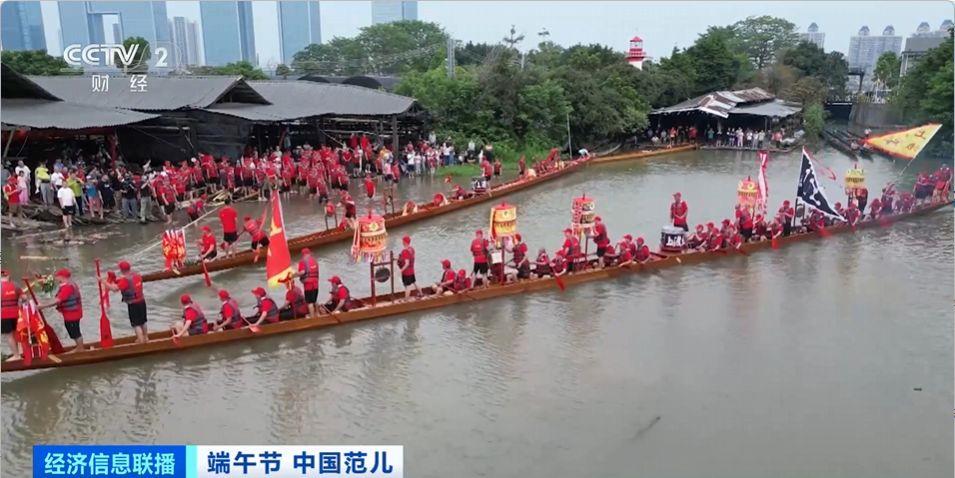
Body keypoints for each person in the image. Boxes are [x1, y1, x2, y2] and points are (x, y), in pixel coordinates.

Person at [102, 261, 149, 344]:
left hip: (133, 304)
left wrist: (103, 281)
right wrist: (116, 280)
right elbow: (126, 282)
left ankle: (140, 340)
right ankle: (146, 337)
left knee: (136, 324)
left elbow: (114, 289)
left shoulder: (125, 280)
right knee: (143, 321)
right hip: (142, 301)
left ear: (121, 270)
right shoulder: (137, 275)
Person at [39, 269, 85, 352]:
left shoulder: (68, 287)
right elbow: (57, 298)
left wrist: (42, 306)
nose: (56, 278)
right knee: (72, 331)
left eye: (57, 276)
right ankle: (79, 347)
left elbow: (57, 300)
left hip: (72, 314)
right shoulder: (69, 284)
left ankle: (80, 349)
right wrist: (43, 304)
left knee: (75, 332)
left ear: (62, 277)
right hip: (70, 313)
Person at [1, 270, 22, 361]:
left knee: (9, 336)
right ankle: (19, 352)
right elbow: (24, 298)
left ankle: (16, 356)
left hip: (4, 315)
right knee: (15, 333)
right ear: (8, 276)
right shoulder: (15, 285)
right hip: (16, 314)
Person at [296, 248, 320, 318]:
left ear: (302, 254)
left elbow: (302, 272)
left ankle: (312, 317)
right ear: (309, 253)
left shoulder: (302, 261)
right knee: (315, 300)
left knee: (309, 302)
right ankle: (318, 314)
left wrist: (293, 275)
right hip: (316, 283)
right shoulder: (315, 260)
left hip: (308, 284)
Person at [398, 235, 421, 300]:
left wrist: (401, 270)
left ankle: (406, 299)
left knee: (407, 286)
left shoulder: (405, 251)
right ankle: (421, 293)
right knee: (414, 282)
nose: (402, 242)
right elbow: (409, 259)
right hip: (411, 270)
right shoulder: (411, 249)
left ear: (404, 242)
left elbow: (407, 263)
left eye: (402, 241)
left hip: (406, 272)